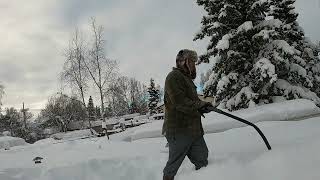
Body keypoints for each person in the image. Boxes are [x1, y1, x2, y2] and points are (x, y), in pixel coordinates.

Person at [162, 49, 214, 180]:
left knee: (202, 160)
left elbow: (193, 101)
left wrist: (203, 105)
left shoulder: (186, 79)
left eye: (194, 63)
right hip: (179, 130)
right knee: (172, 167)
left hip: (194, 130)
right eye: (191, 62)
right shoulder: (173, 77)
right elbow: (179, 102)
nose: (193, 65)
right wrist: (199, 105)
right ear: (182, 62)